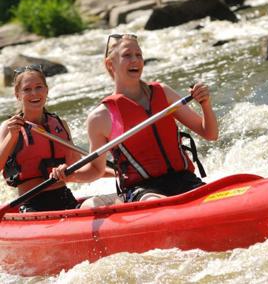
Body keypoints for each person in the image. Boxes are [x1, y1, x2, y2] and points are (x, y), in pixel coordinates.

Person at [51, 33, 218, 204]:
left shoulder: (163, 93)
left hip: (184, 180)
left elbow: (210, 134)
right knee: (155, 202)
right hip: (143, 190)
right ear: (110, 64)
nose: (135, 60)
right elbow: (96, 170)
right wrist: (70, 176)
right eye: (127, 55)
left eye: (139, 55)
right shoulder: (101, 117)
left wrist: (205, 103)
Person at [0, 64, 82, 212]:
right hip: (31, 204)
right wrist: (12, 137)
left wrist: (66, 169)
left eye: (39, 87)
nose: (34, 93)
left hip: (65, 197)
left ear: (46, 90)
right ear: (17, 94)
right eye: (27, 89)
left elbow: (78, 167)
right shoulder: (9, 127)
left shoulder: (60, 124)